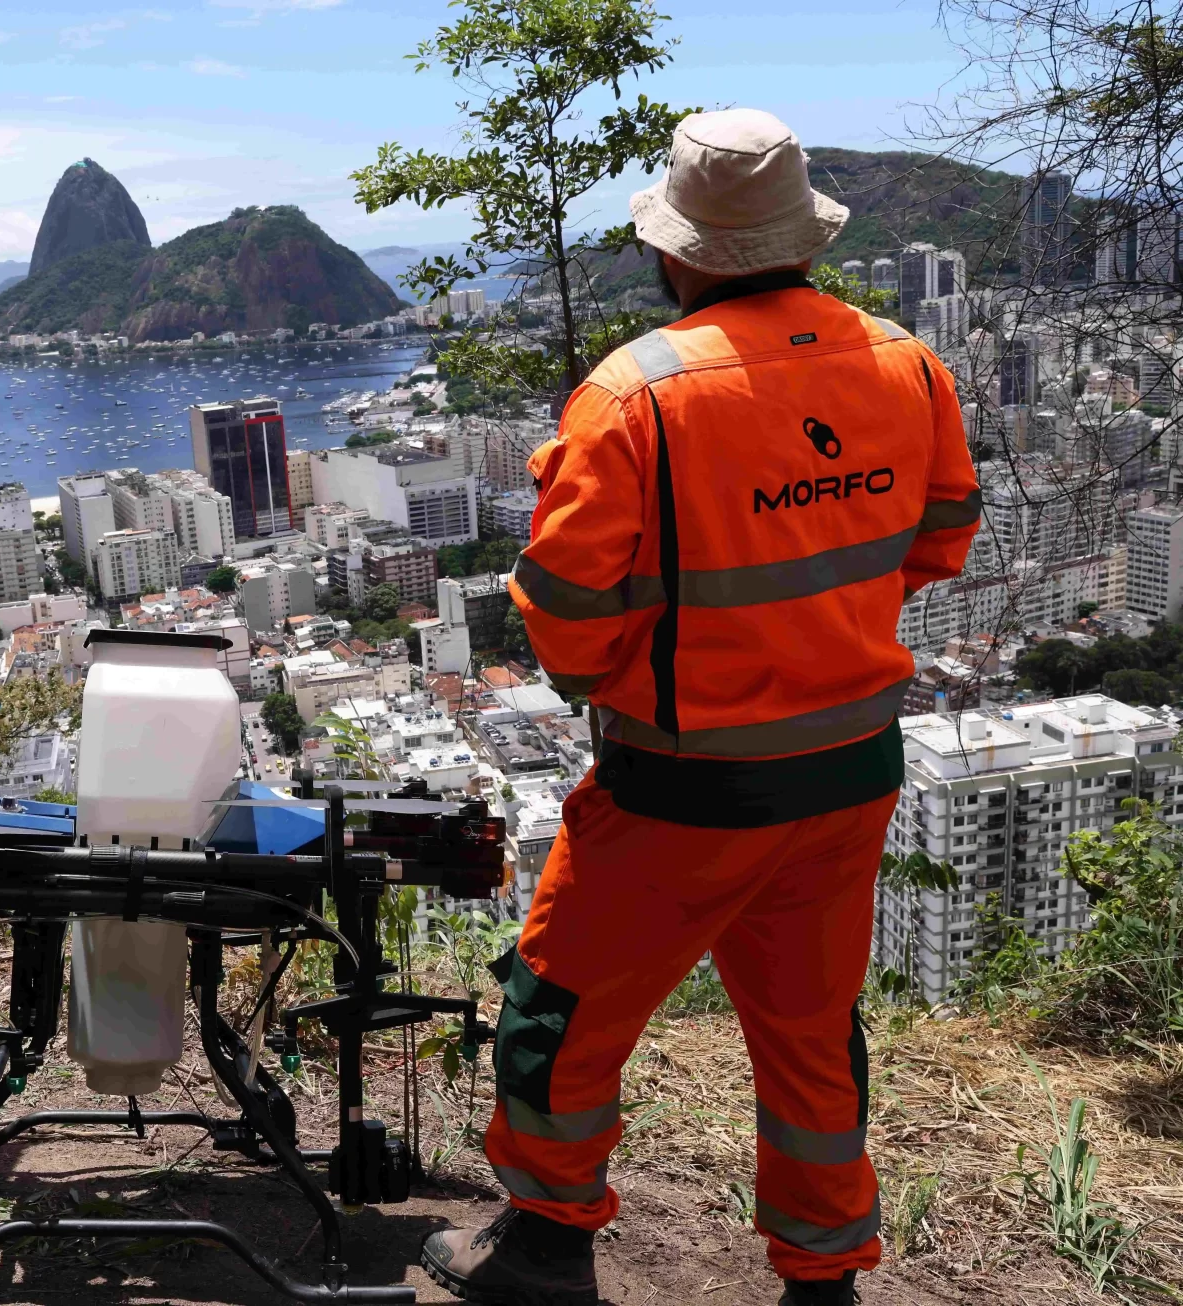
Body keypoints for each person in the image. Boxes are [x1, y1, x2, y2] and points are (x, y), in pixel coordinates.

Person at [417, 110, 980, 1306]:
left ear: (675, 249)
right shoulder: (902, 361)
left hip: (680, 784)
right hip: (845, 772)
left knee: (558, 1005)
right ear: (801, 238)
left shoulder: (636, 395)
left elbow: (565, 609)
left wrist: (629, 677)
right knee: (811, 1027)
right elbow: (939, 540)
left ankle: (546, 1246)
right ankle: (822, 1279)